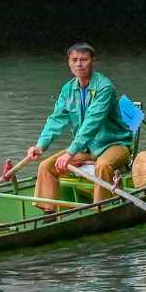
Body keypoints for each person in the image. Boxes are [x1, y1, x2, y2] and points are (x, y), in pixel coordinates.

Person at [20, 42, 136, 209]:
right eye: (74, 60)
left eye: (84, 60)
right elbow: (56, 119)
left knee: (103, 166)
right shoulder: (68, 89)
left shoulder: (104, 87)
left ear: (93, 61)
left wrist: (70, 152)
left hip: (114, 145)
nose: (79, 64)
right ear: (68, 62)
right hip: (86, 148)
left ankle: (100, 209)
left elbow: (92, 123)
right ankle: (48, 215)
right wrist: (40, 145)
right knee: (46, 166)